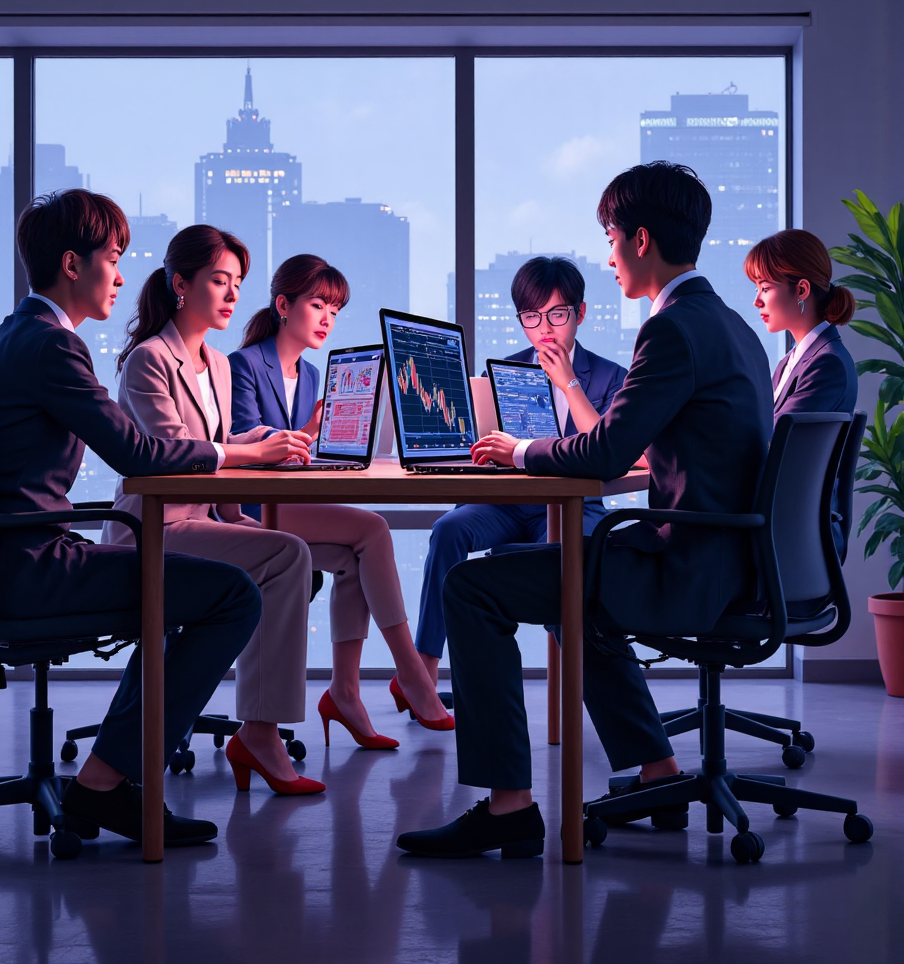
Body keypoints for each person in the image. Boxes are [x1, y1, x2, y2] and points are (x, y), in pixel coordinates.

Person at [396, 161, 773, 859]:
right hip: (731, 559)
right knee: (570, 579)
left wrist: (516, 452)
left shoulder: (672, 330)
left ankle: (508, 806)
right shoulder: (731, 326)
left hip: (687, 566)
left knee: (471, 587)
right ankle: (656, 769)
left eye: (610, 236)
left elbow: (602, 453)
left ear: (638, 239)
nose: (607, 253)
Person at [0, 190, 262, 847]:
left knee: (183, 589)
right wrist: (239, 451)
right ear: (73, 264)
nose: (123, 277)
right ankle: (102, 783)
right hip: (32, 569)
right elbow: (136, 454)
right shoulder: (51, 347)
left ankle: (109, 778)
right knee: (233, 595)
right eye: (114, 259)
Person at [105, 225, 324, 794]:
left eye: (237, 284)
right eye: (219, 281)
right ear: (181, 285)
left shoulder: (220, 365)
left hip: (199, 524)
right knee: (289, 554)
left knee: (283, 553)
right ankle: (260, 732)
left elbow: (221, 453)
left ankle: (258, 729)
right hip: (152, 528)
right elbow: (175, 454)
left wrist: (238, 514)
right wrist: (254, 450)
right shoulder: (149, 360)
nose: (231, 295)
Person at [228, 254, 453, 747]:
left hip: (290, 506)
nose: (328, 319)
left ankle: (344, 693)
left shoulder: (313, 375)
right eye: (318, 305)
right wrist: (301, 433)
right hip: (249, 508)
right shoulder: (244, 365)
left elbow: (305, 451)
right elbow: (240, 439)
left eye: (336, 309)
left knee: (355, 558)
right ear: (283, 306)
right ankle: (412, 673)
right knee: (372, 529)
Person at [410, 256, 627, 692]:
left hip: (574, 507)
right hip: (507, 506)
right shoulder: (502, 373)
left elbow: (607, 449)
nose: (544, 327)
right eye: (531, 316)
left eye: (557, 314)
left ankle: (603, 690)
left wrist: (569, 382)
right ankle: (423, 672)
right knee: (448, 529)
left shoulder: (610, 377)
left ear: (580, 313)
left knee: (574, 565)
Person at [747, 228, 858, 557]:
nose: (756, 301)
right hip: (784, 530)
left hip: (796, 543)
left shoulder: (828, 365)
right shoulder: (789, 364)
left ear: (801, 290)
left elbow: (774, 451)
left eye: (764, 288)